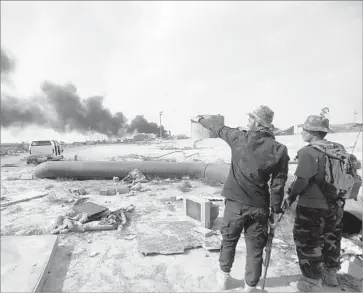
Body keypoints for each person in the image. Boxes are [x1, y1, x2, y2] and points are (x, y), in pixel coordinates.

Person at [192, 105, 290, 292]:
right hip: (260, 207)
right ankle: (250, 286)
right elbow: (278, 185)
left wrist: (199, 120)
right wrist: (275, 212)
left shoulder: (239, 138)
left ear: (256, 121)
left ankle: (223, 278)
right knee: (255, 250)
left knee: (228, 241)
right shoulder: (279, 149)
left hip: (235, 204)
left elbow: (217, 128)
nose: (247, 121)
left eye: (250, 118)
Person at [283, 115, 359, 292]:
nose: (302, 132)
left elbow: (301, 181)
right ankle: (330, 275)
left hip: (312, 207)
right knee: (332, 238)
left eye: (304, 129)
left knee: (308, 242)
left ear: (313, 132)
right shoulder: (338, 149)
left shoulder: (308, 152)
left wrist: (290, 197)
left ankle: (312, 282)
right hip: (337, 205)